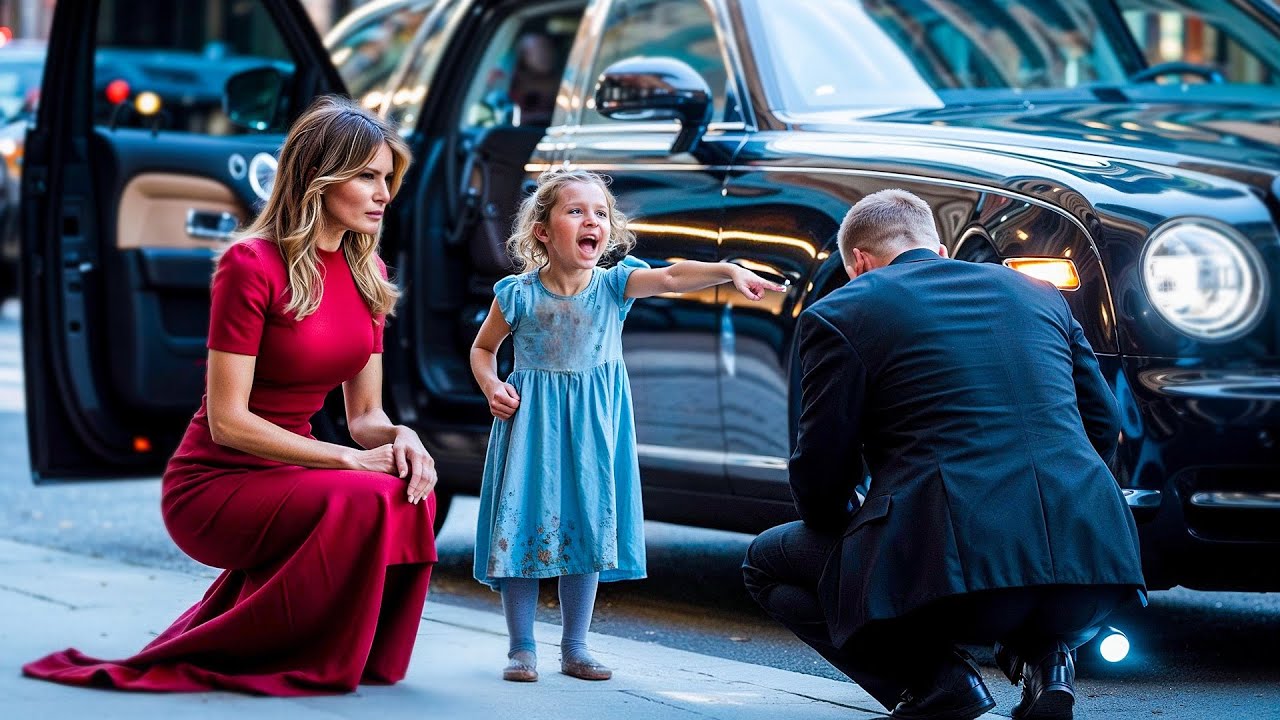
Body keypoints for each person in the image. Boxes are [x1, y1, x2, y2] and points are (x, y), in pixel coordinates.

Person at [24, 96, 439, 696]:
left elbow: (365, 416)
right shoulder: (251, 264)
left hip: (295, 469)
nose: (384, 194)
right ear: (319, 179)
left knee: (410, 492)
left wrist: (405, 439)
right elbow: (228, 421)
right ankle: (304, 650)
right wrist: (348, 459)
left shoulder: (366, 269)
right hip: (217, 483)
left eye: (387, 179)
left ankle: (355, 651)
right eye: (367, 177)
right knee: (364, 497)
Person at [742, 189, 1145, 720]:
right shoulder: (1040, 294)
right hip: (1093, 568)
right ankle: (1051, 668)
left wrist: (852, 541)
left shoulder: (842, 311)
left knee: (766, 563)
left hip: (952, 581)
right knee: (1019, 556)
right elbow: (1103, 422)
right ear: (937, 244)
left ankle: (938, 683)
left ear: (858, 261)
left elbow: (822, 468)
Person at [470, 167, 784, 683]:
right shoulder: (517, 294)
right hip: (532, 426)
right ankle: (521, 647)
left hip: (594, 429)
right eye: (576, 211)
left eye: (600, 213)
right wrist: (492, 386)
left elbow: (672, 276)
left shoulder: (615, 285)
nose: (591, 220)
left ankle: (576, 647)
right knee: (522, 525)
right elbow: (484, 350)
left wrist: (727, 270)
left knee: (588, 525)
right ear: (543, 232)